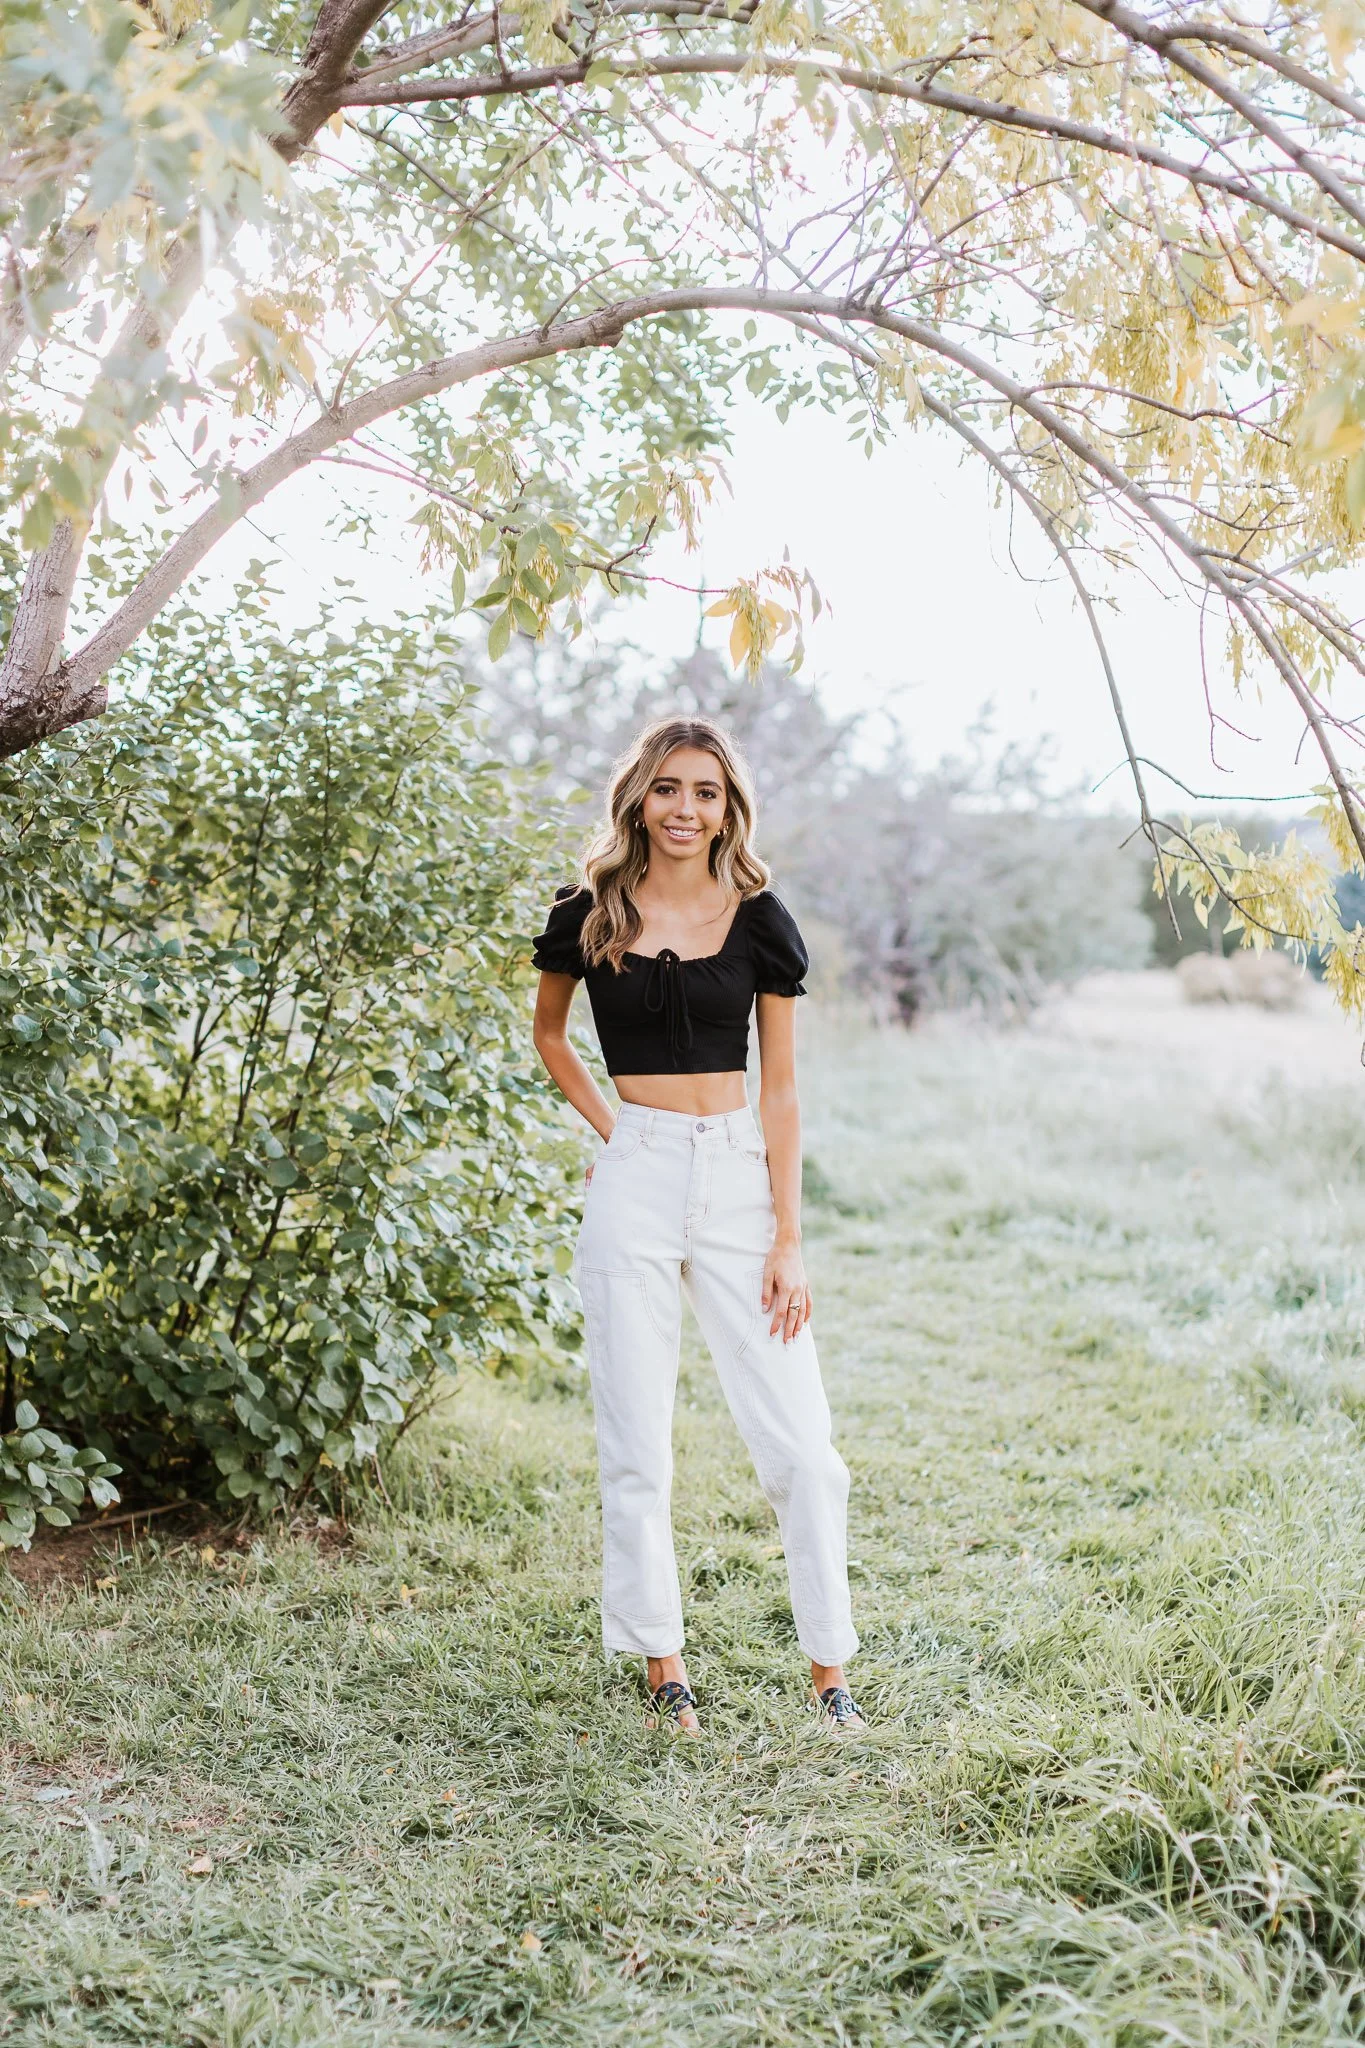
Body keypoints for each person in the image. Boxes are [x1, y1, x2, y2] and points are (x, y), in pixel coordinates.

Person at [531, 714, 863, 1735]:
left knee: (806, 1448)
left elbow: (784, 1089)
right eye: (669, 787)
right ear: (639, 796)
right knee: (637, 1436)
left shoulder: (760, 918)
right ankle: (662, 1661)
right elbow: (549, 1034)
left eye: (706, 792)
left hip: (736, 1177)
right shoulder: (586, 910)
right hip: (637, 1171)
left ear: (730, 807)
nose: (686, 808)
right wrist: (616, 1130)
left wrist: (789, 1236)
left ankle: (830, 1667)